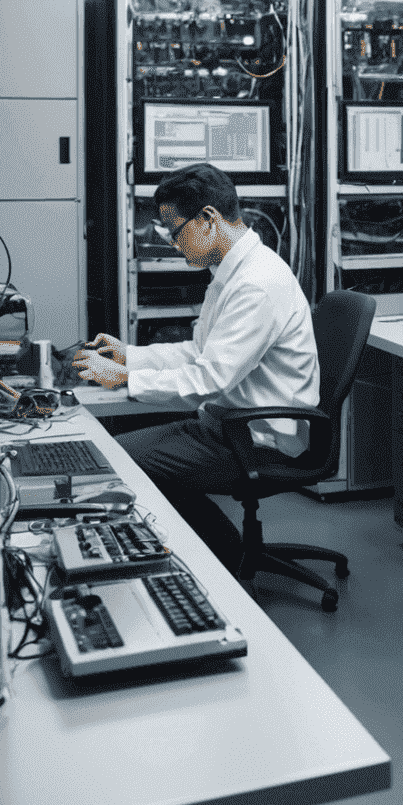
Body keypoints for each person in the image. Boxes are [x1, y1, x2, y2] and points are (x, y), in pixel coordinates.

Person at [74, 163, 319, 574]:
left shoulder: (257, 283)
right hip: (225, 425)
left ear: (208, 219)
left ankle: (221, 567)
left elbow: (210, 378)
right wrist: (129, 356)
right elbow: (199, 352)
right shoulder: (230, 271)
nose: (172, 244)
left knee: (122, 466)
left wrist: (128, 380)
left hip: (255, 438)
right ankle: (225, 555)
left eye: (175, 231)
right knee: (115, 456)